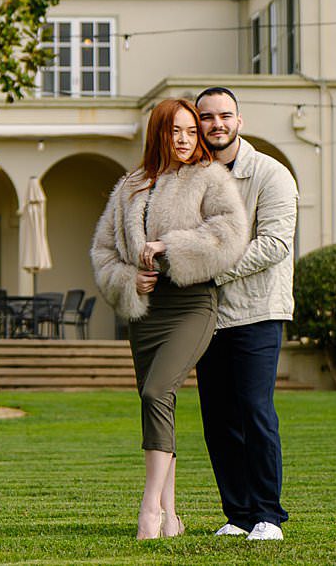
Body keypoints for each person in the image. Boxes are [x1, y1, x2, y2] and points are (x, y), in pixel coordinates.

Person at [90, 97, 249, 540]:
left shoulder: (209, 178)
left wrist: (169, 247)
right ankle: (172, 516)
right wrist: (127, 279)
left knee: (157, 391)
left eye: (191, 131)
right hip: (145, 313)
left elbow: (231, 234)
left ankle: (149, 510)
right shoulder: (129, 185)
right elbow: (102, 250)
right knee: (157, 401)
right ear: (158, 133)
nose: (185, 139)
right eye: (175, 131)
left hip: (192, 303)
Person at [193, 85, 299, 543]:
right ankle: (238, 515)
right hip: (206, 316)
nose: (217, 124)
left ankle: (268, 516)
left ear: (240, 121)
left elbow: (275, 243)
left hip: (257, 310)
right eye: (207, 117)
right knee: (217, 419)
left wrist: (211, 270)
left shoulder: (271, 174)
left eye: (225, 116)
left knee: (255, 412)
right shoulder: (192, 177)